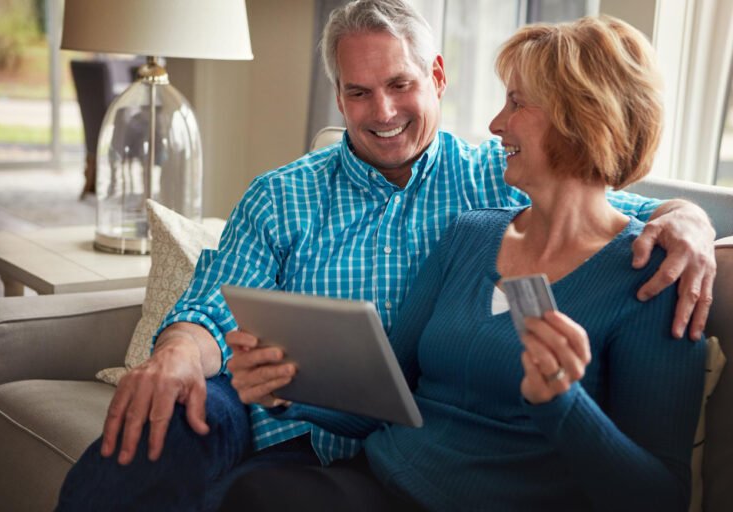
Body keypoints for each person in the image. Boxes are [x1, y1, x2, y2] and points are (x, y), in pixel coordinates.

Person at [55, 1, 716, 510]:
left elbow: (607, 206)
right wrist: (201, 364)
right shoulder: (319, 201)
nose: (382, 111)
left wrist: (688, 218)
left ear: (435, 76)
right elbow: (220, 307)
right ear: (338, 95)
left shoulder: (504, 184)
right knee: (182, 432)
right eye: (358, 93)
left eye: (399, 84)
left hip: (387, 460)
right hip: (296, 429)